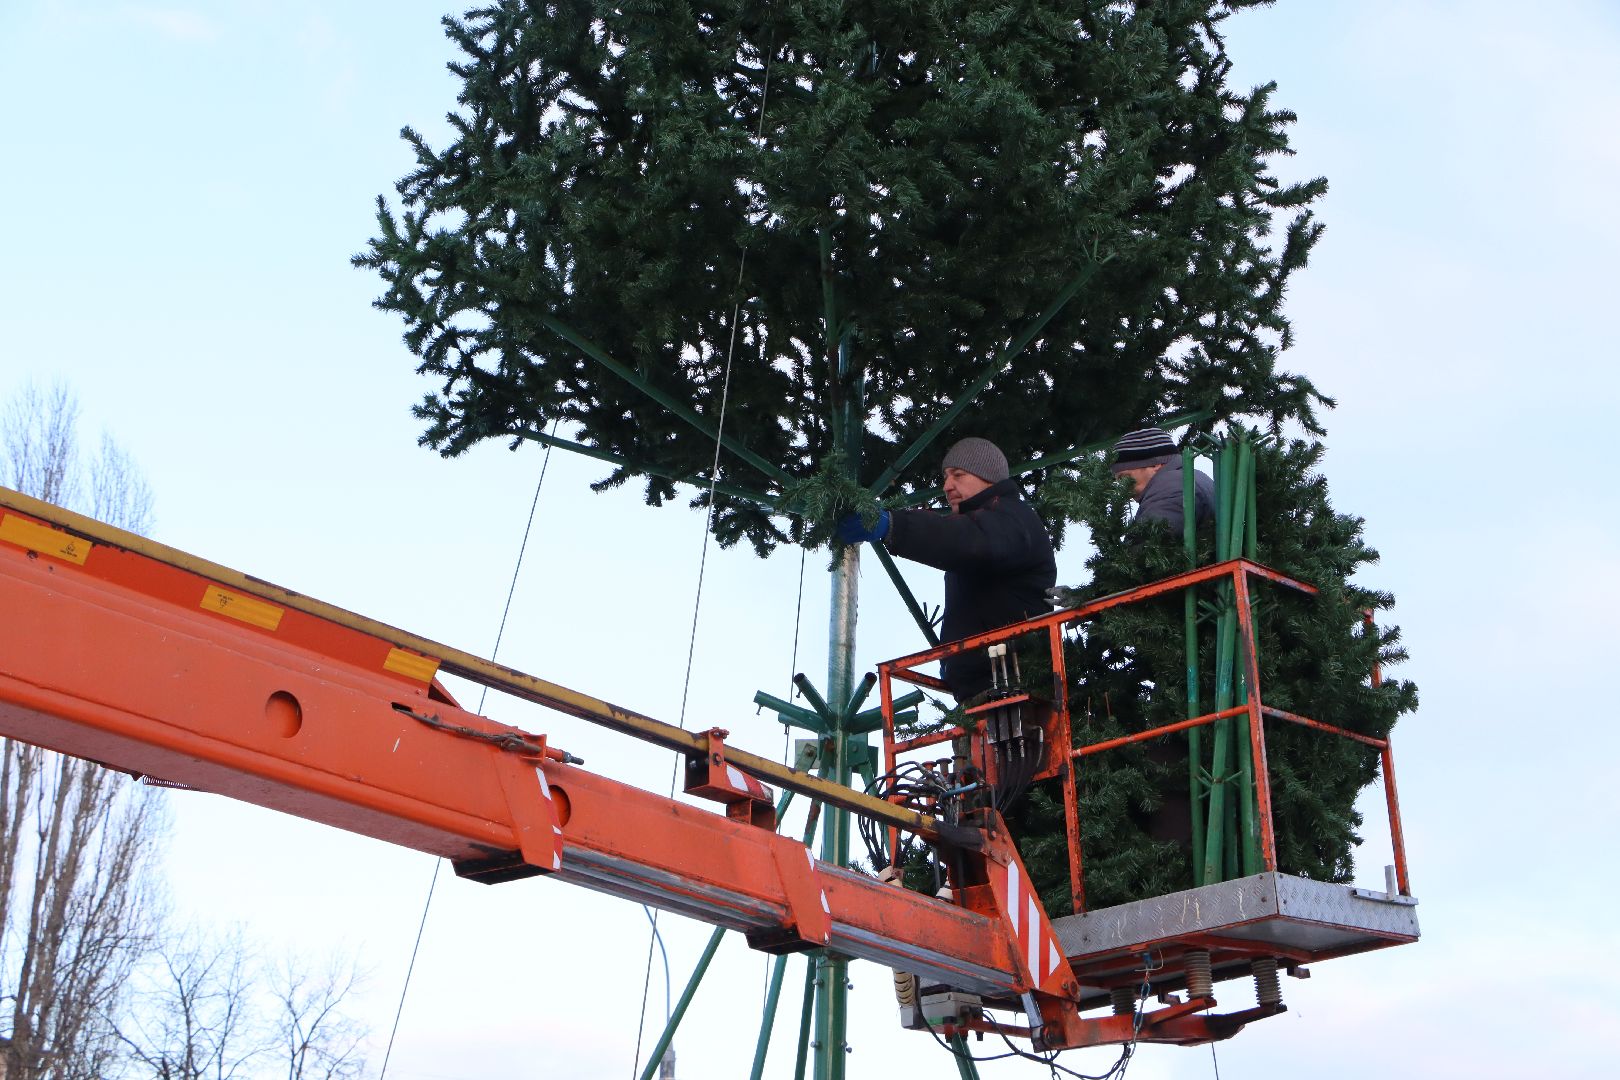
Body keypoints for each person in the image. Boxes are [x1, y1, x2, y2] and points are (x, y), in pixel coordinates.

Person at [837, 436, 1056, 702]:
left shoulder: (1011, 517)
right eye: (945, 476)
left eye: (958, 475)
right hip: (983, 690)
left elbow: (967, 540)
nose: (947, 486)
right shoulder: (987, 522)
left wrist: (895, 525)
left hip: (1014, 686)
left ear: (988, 477)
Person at [1111, 427, 1214, 536]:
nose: (1122, 488)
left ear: (1155, 464)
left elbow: (1151, 543)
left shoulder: (1170, 487)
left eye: (1124, 477)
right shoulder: (1190, 477)